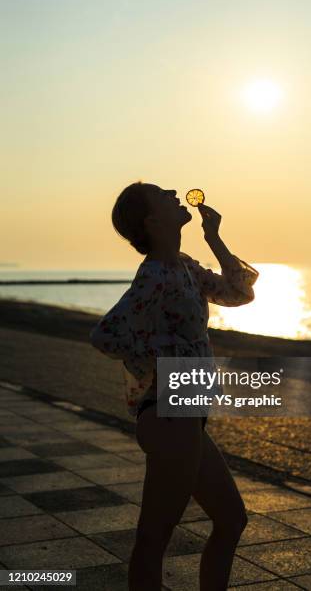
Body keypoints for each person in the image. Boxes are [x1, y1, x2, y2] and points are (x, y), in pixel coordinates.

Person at [90, 181, 259, 591]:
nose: (173, 192)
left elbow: (239, 293)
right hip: (169, 414)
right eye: (162, 194)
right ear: (151, 220)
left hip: (186, 416)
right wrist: (166, 361)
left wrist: (214, 237)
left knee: (231, 519)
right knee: (154, 536)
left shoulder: (182, 265)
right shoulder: (154, 276)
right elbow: (106, 335)